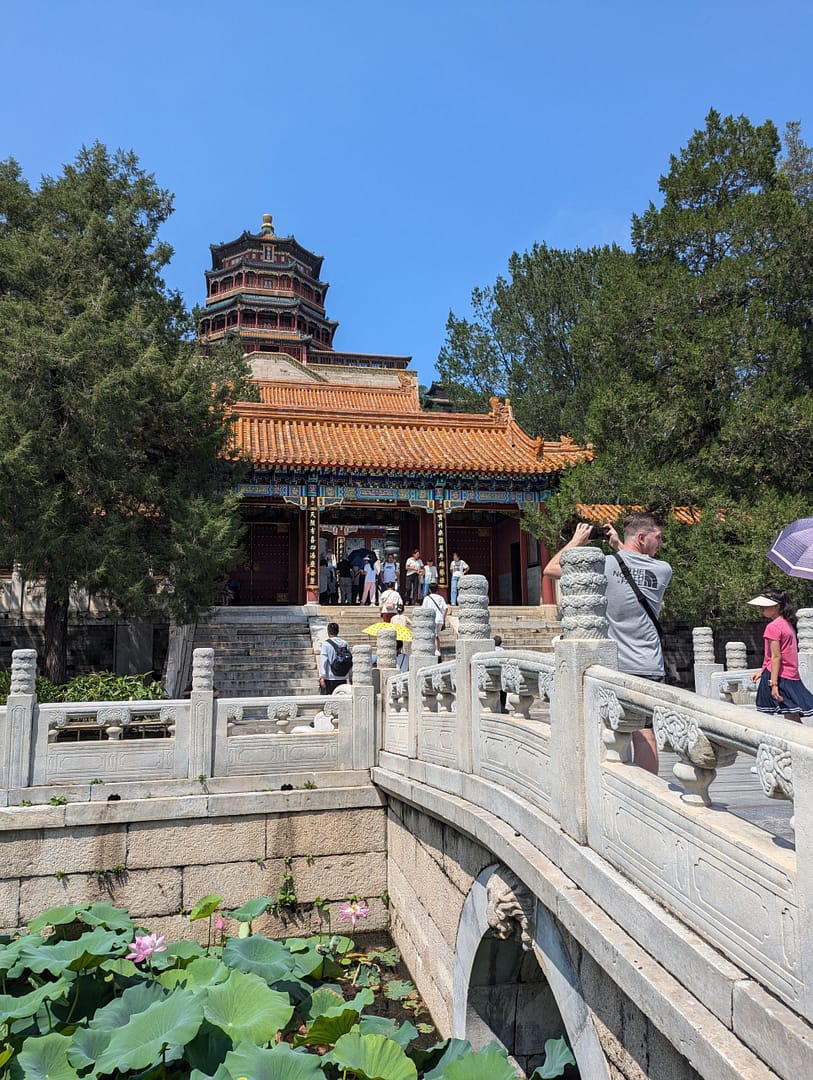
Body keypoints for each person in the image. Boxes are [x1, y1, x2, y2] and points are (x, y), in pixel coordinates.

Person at [543, 513, 672, 775]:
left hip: (616, 666)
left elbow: (551, 568)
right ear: (641, 538)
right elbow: (634, 566)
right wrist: (617, 546)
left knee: (613, 730)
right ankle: (647, 794)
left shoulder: (604, 566)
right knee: (645, 733)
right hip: (650, 664)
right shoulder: (663, 570)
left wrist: (577, 541)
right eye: (657, 538)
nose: (661, 543)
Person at [749, 589, 813, 722]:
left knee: (766, 716)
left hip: (777, 676)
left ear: (777, 606)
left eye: (765, 606)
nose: (762, 609)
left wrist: (773, 684)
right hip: (790, 675)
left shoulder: (773, 627)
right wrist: (762, 671)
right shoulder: (787, 625)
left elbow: (776, 656)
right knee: (791, 715)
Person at [319, 622, 352, 695]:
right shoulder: (345, 643)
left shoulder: (326, 644)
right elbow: (349, 660)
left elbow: (323, 661)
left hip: (330, 678)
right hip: (343, 677)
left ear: (328, 632)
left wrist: (322, 676)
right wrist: (350, 675)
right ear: (338, 631)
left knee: (329, 700)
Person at [422, 582, 448, 657]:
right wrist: (443, 617)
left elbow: (423, 609)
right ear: (437, 590)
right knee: (436, 635)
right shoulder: (441, 598)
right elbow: (446, 608)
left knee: (433, 635)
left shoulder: (427, 598)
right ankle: (437, 649)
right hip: (439, 619)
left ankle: (436, 650)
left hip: (431, 618)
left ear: (429, 590)